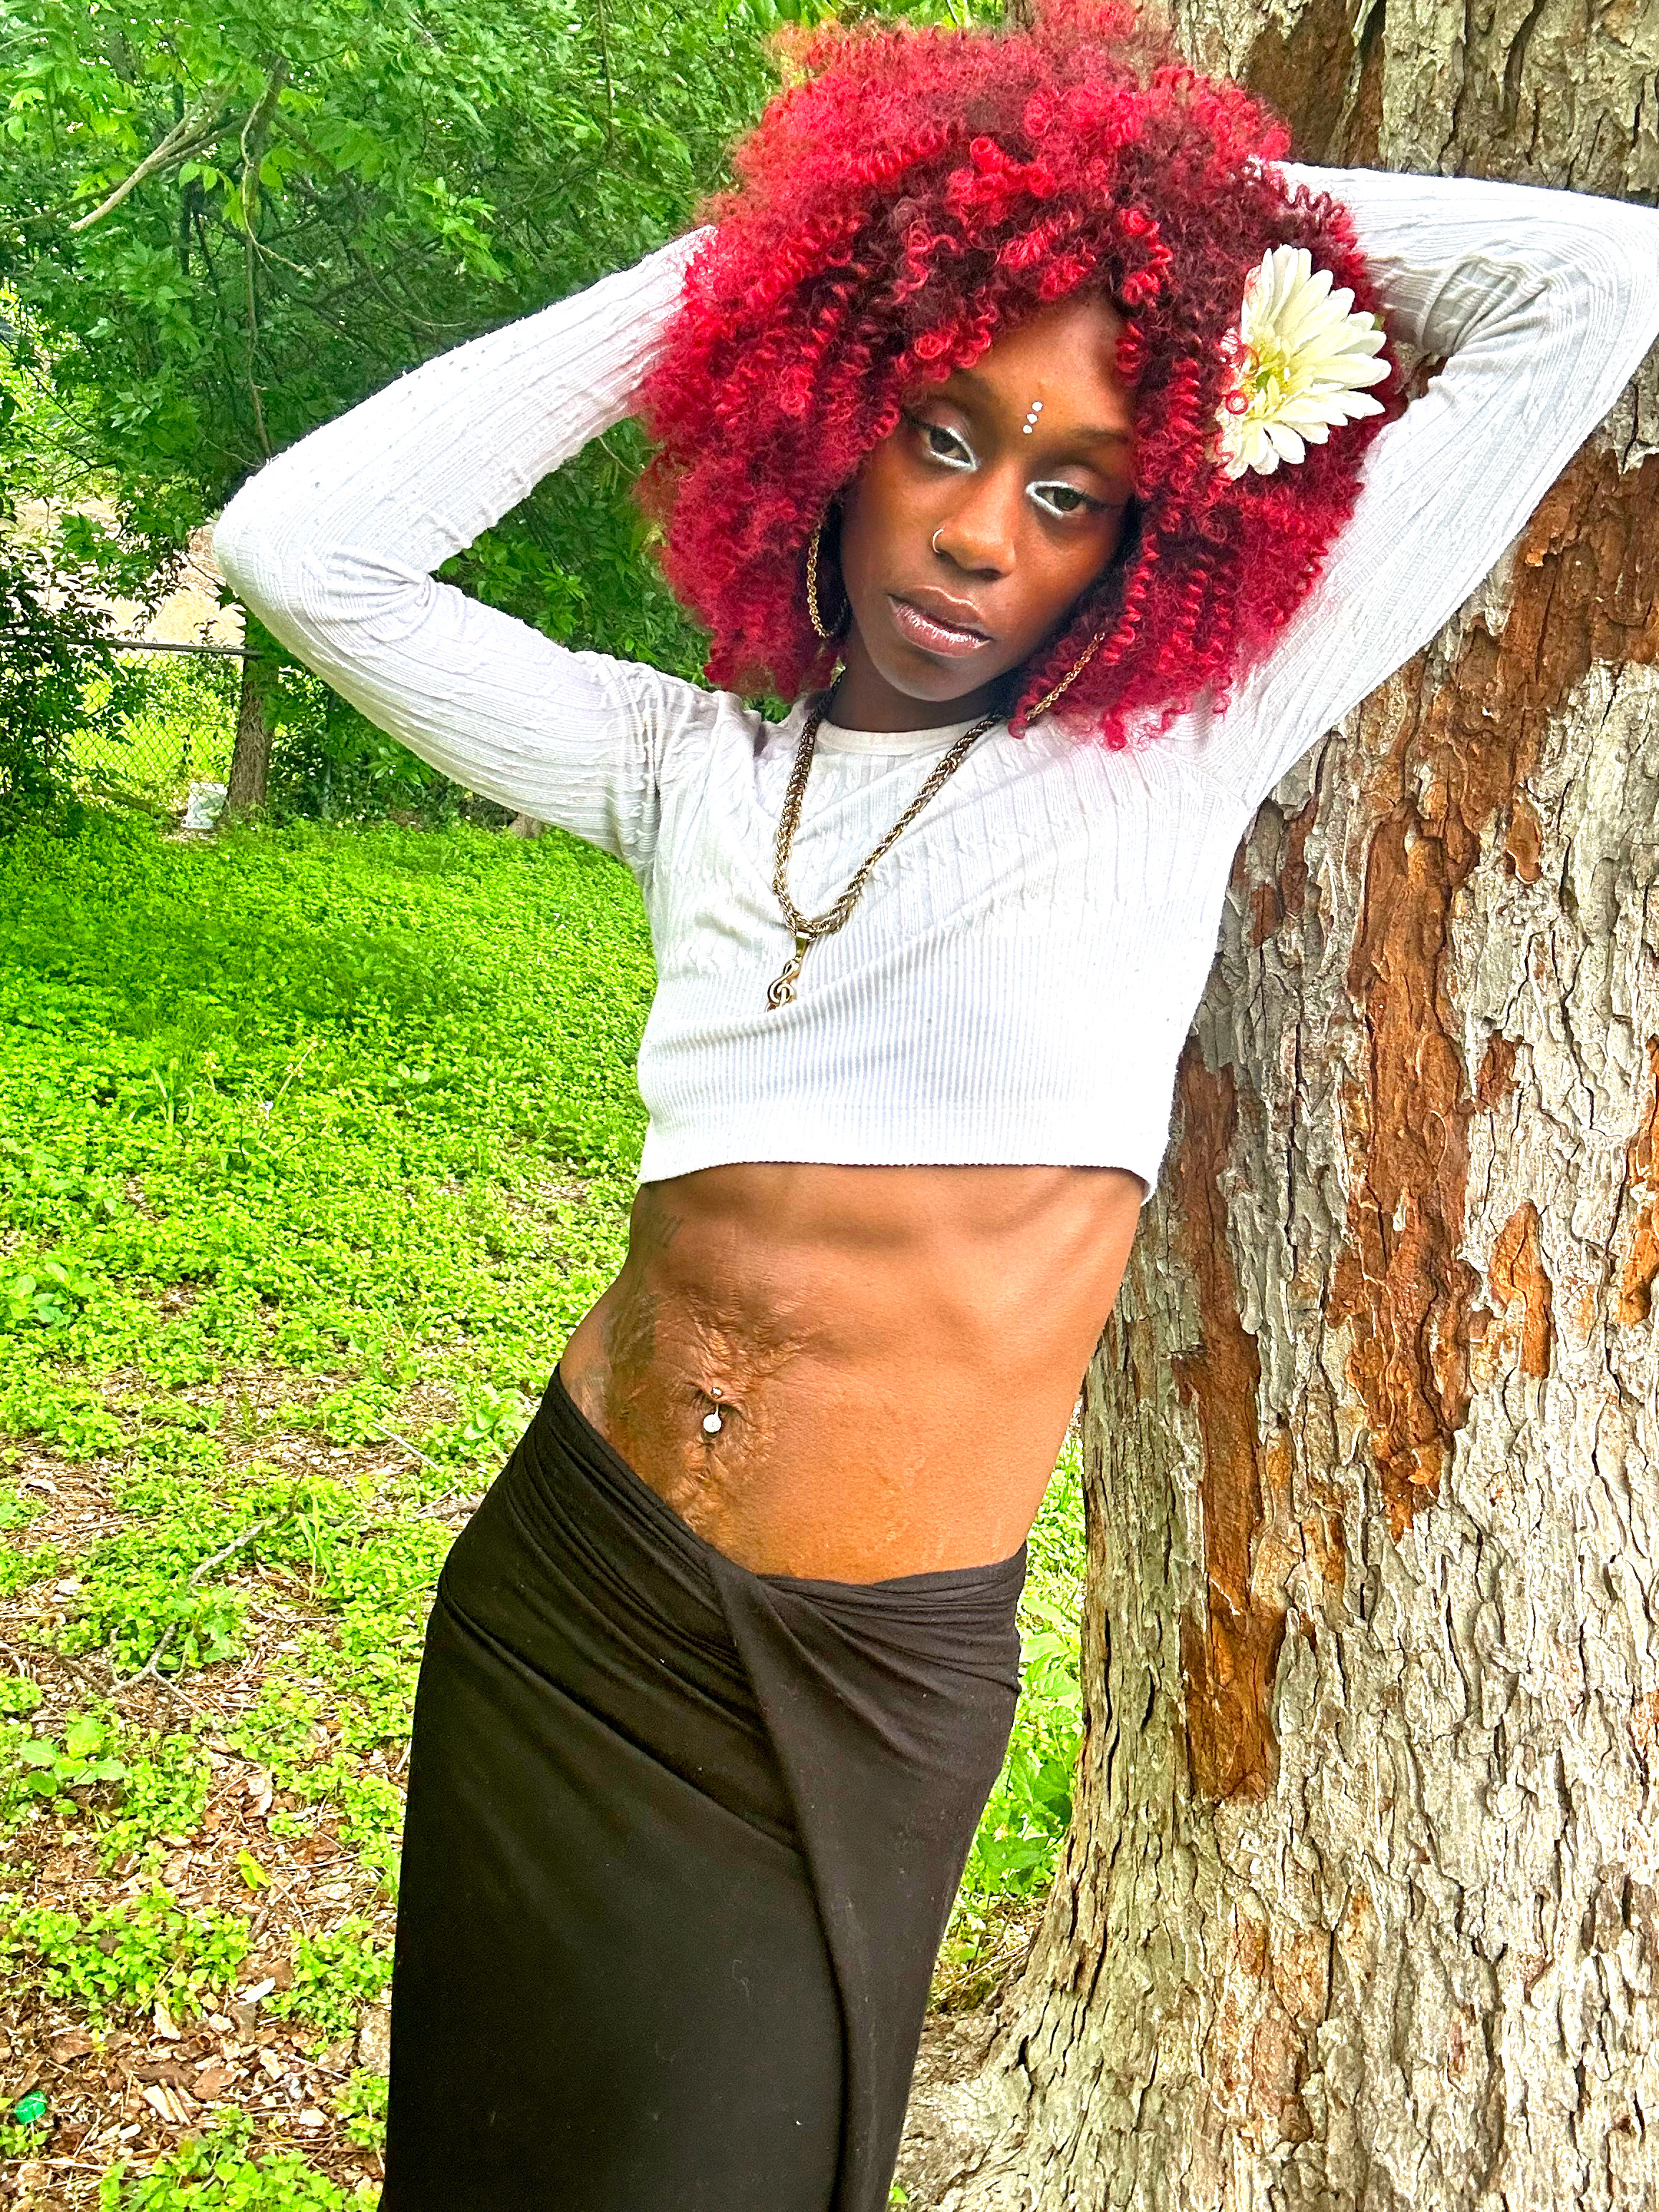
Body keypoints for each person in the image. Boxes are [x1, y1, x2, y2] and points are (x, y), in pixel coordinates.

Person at [213, 6, 1659, 2204]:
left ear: (1135, 541)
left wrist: (1185, 247)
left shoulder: (1175, 759)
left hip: (850, 1666)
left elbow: (1593, 287)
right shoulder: (681, 763)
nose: (985, 531)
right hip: (570, 1592)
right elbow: (302, 547)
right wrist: (791, 250)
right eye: (944, 429)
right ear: (829, 419)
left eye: (1069, 487)